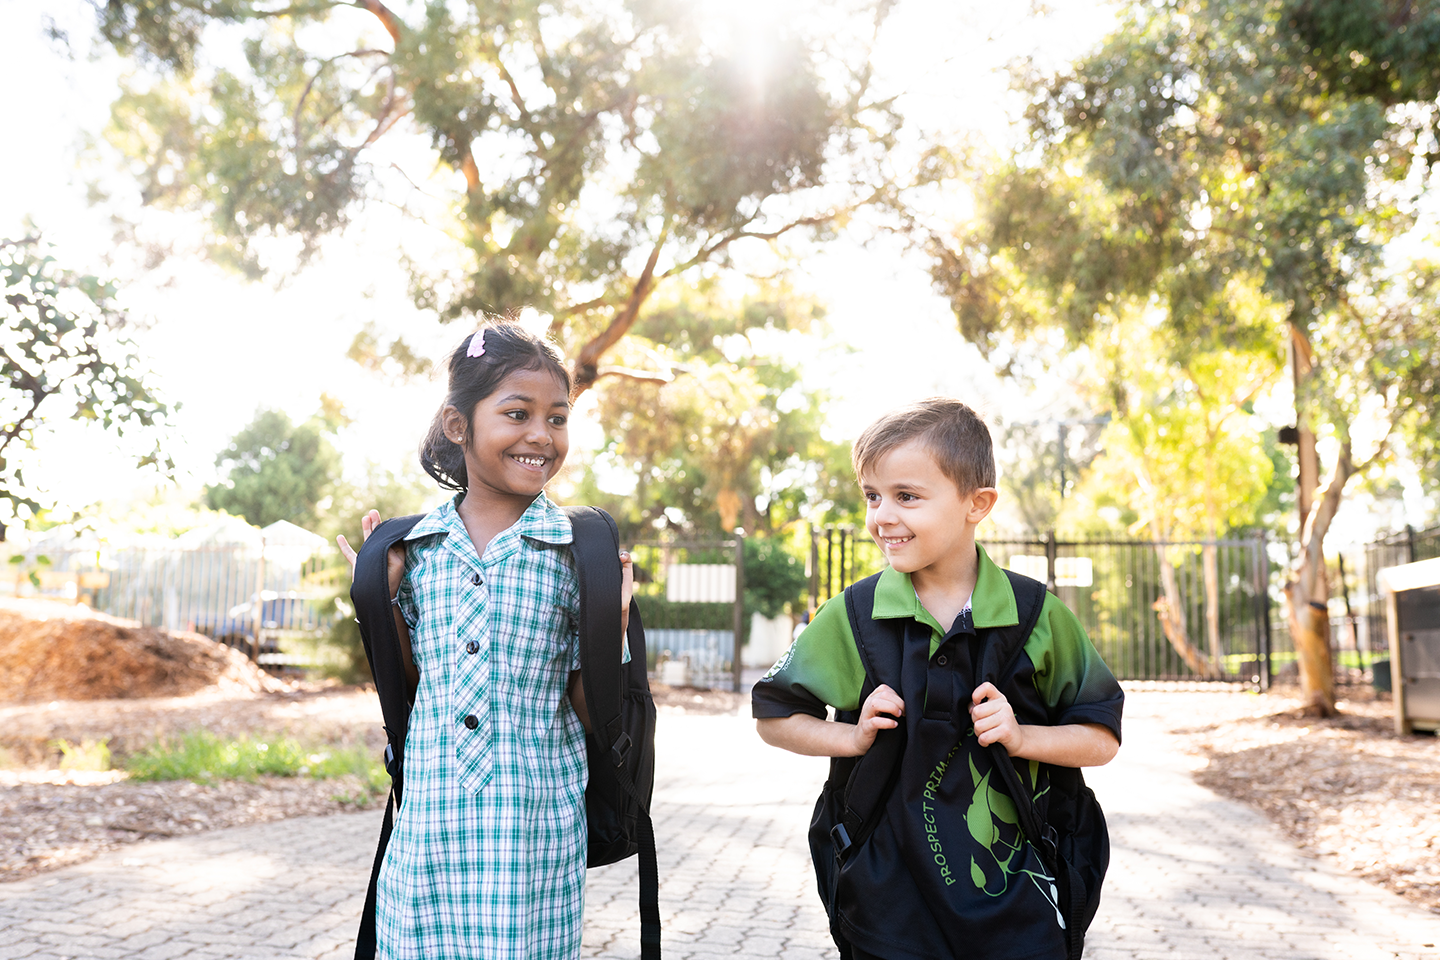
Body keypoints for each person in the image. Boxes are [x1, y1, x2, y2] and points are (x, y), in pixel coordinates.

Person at [753, 397, 1123, 960]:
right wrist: (850, 738)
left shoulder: (1037, 616)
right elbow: (774, 716)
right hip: (887, 905)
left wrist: (1023, 736)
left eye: (907, 496)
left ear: (978, 504)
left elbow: (1101, 739)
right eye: (872, 496)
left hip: (1021, 904)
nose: (882, 515)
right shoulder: (854, 616)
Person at [337, 320, 632, 960]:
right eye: (517, 413)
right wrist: (379, 594)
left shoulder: (576, 555)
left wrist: (614, 624)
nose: (540, 435)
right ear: (457, 425)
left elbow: (591, 713)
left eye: (558, 418)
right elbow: (414, 691)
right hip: (428, 833)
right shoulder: (412, 552)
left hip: (534, 837)